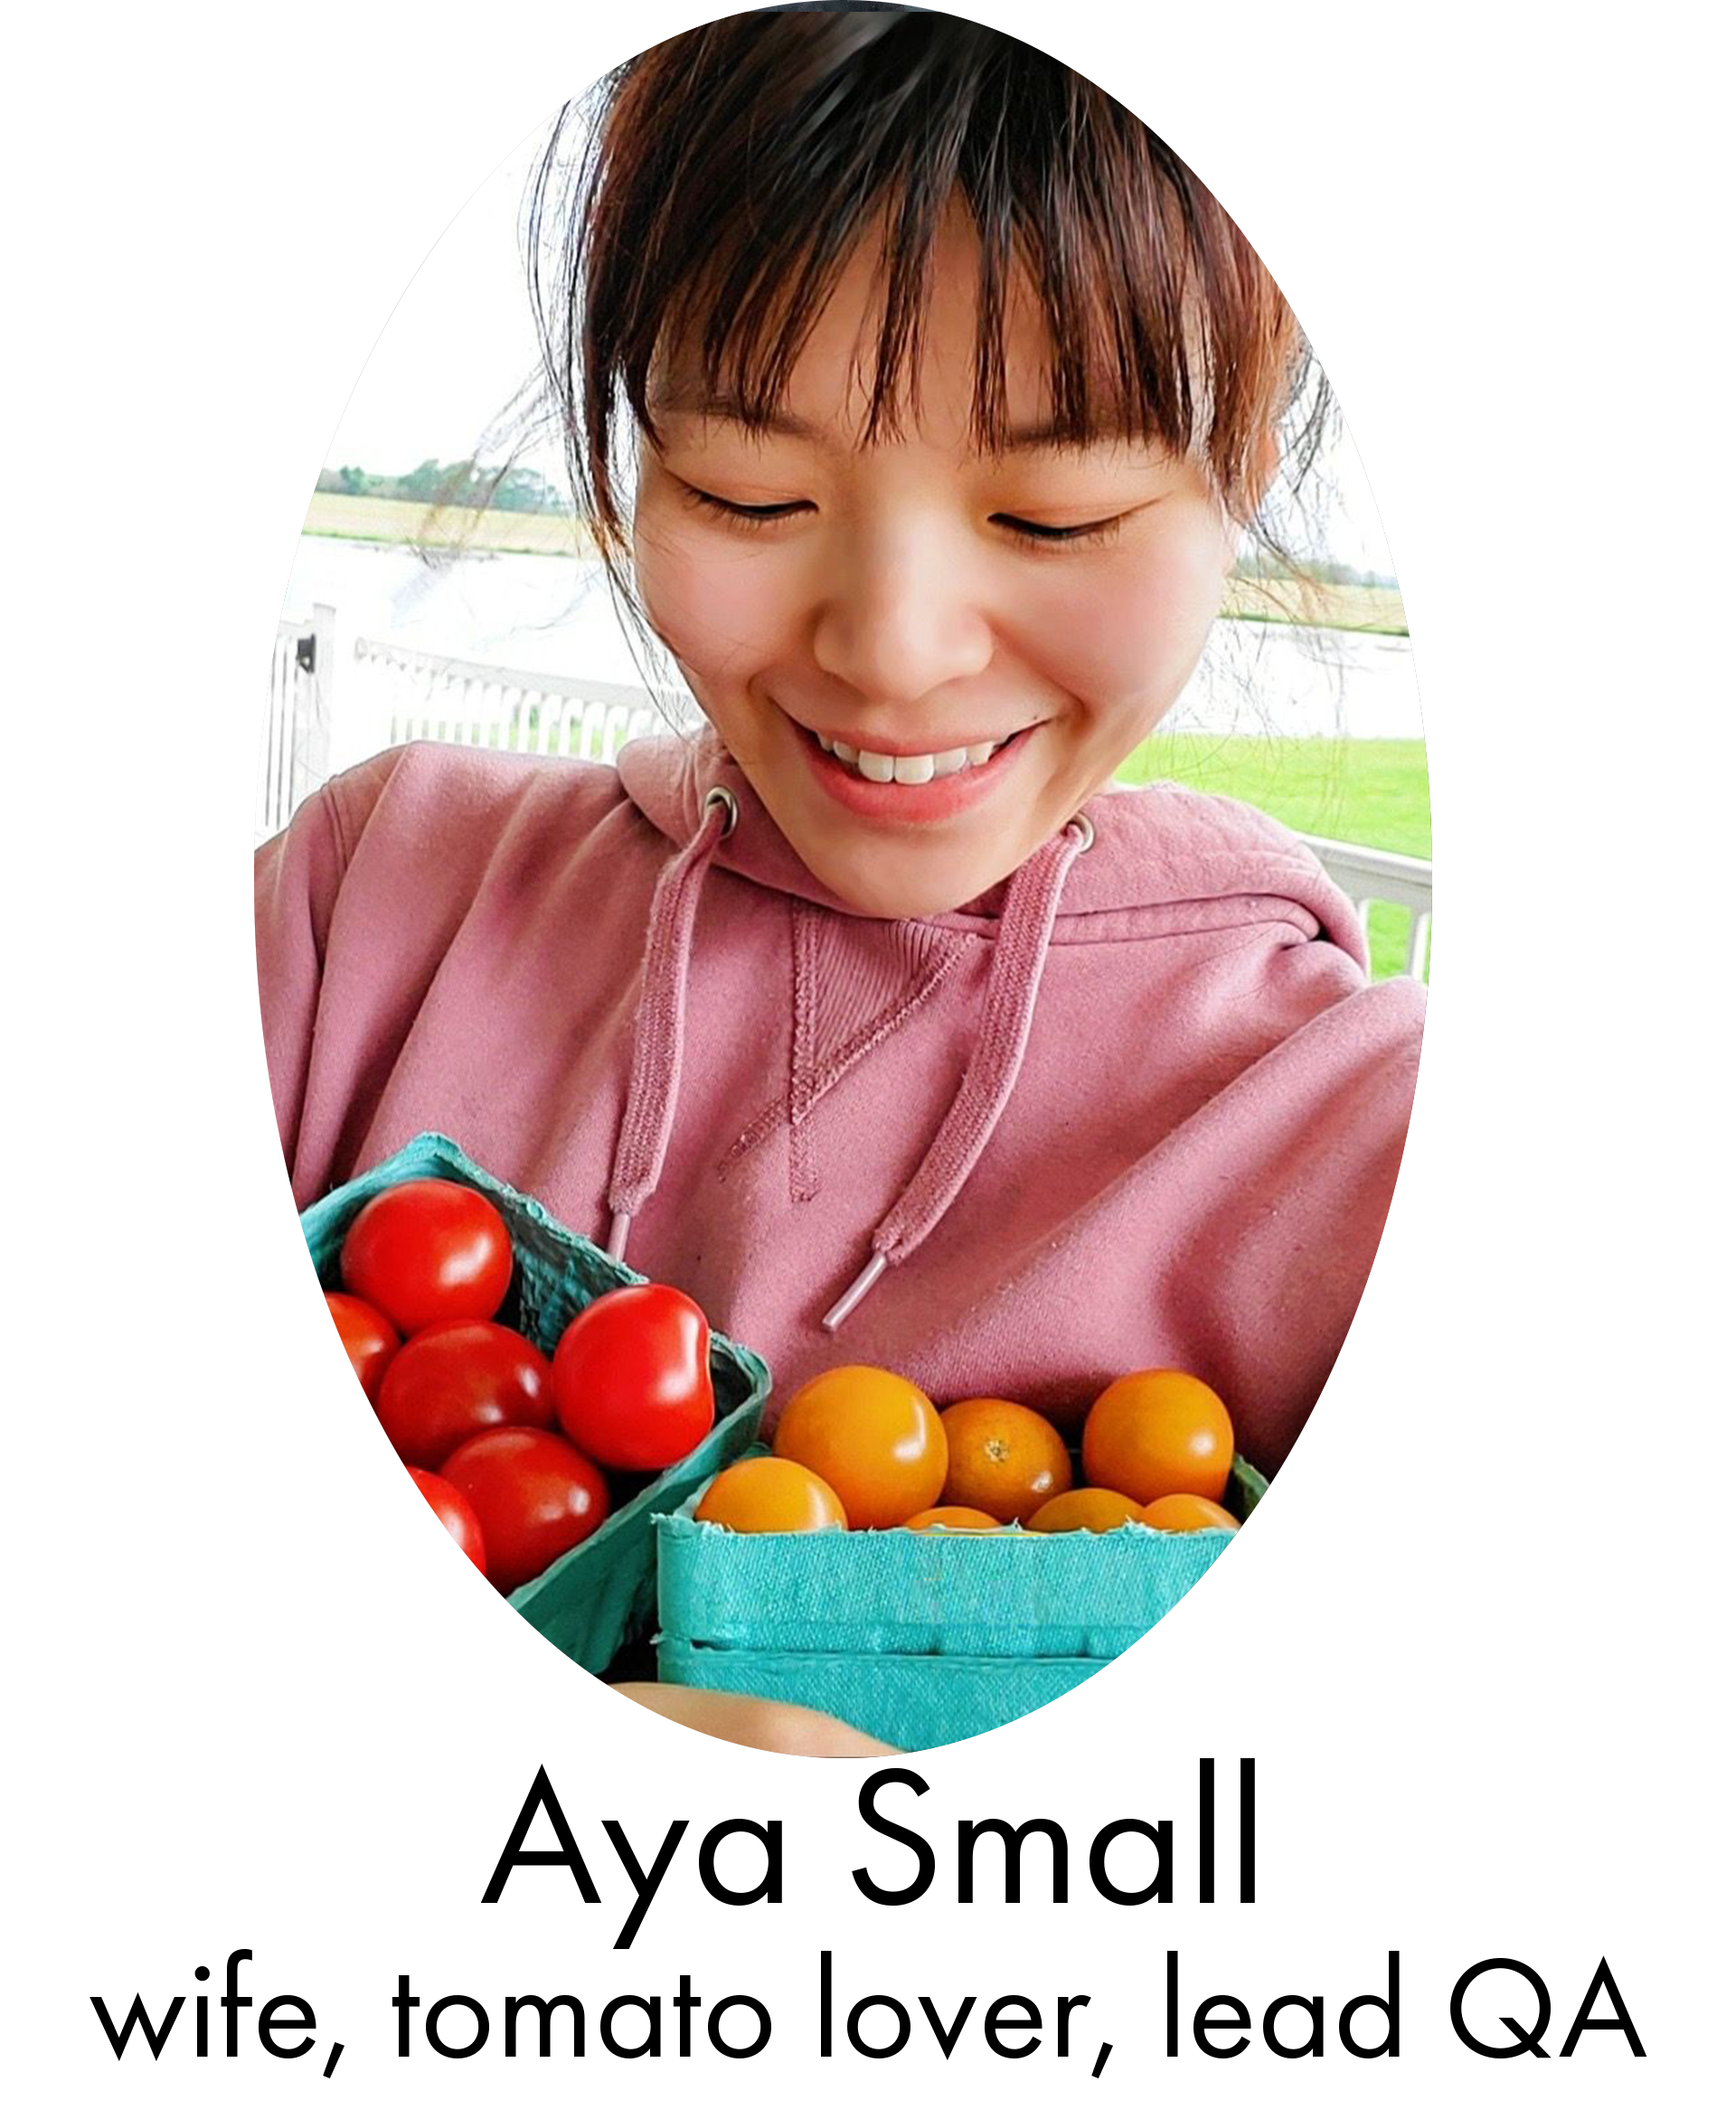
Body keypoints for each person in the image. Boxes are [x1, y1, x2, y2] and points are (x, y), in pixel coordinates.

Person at [256, 10, 1424, 1753]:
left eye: (1053, 516)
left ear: (1239, 473)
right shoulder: (363, 908)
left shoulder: (1374, 1139)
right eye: (745, 487)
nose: (891, 655)